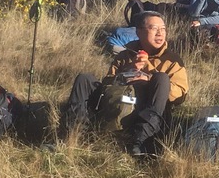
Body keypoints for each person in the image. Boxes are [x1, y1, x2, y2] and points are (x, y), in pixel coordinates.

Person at [61, 11, 188, 157]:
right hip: (118, 105)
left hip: (147, 111)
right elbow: (107, 83)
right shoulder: (125, 55)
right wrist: (128, 71)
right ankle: (73, 135)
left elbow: (180, 94)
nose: (160, 33)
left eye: (163, 29)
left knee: (162, 78)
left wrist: (149, 78)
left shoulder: (172, 60)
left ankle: (139, 141)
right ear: (139, 32)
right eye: (154, 28)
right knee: (84, 79)